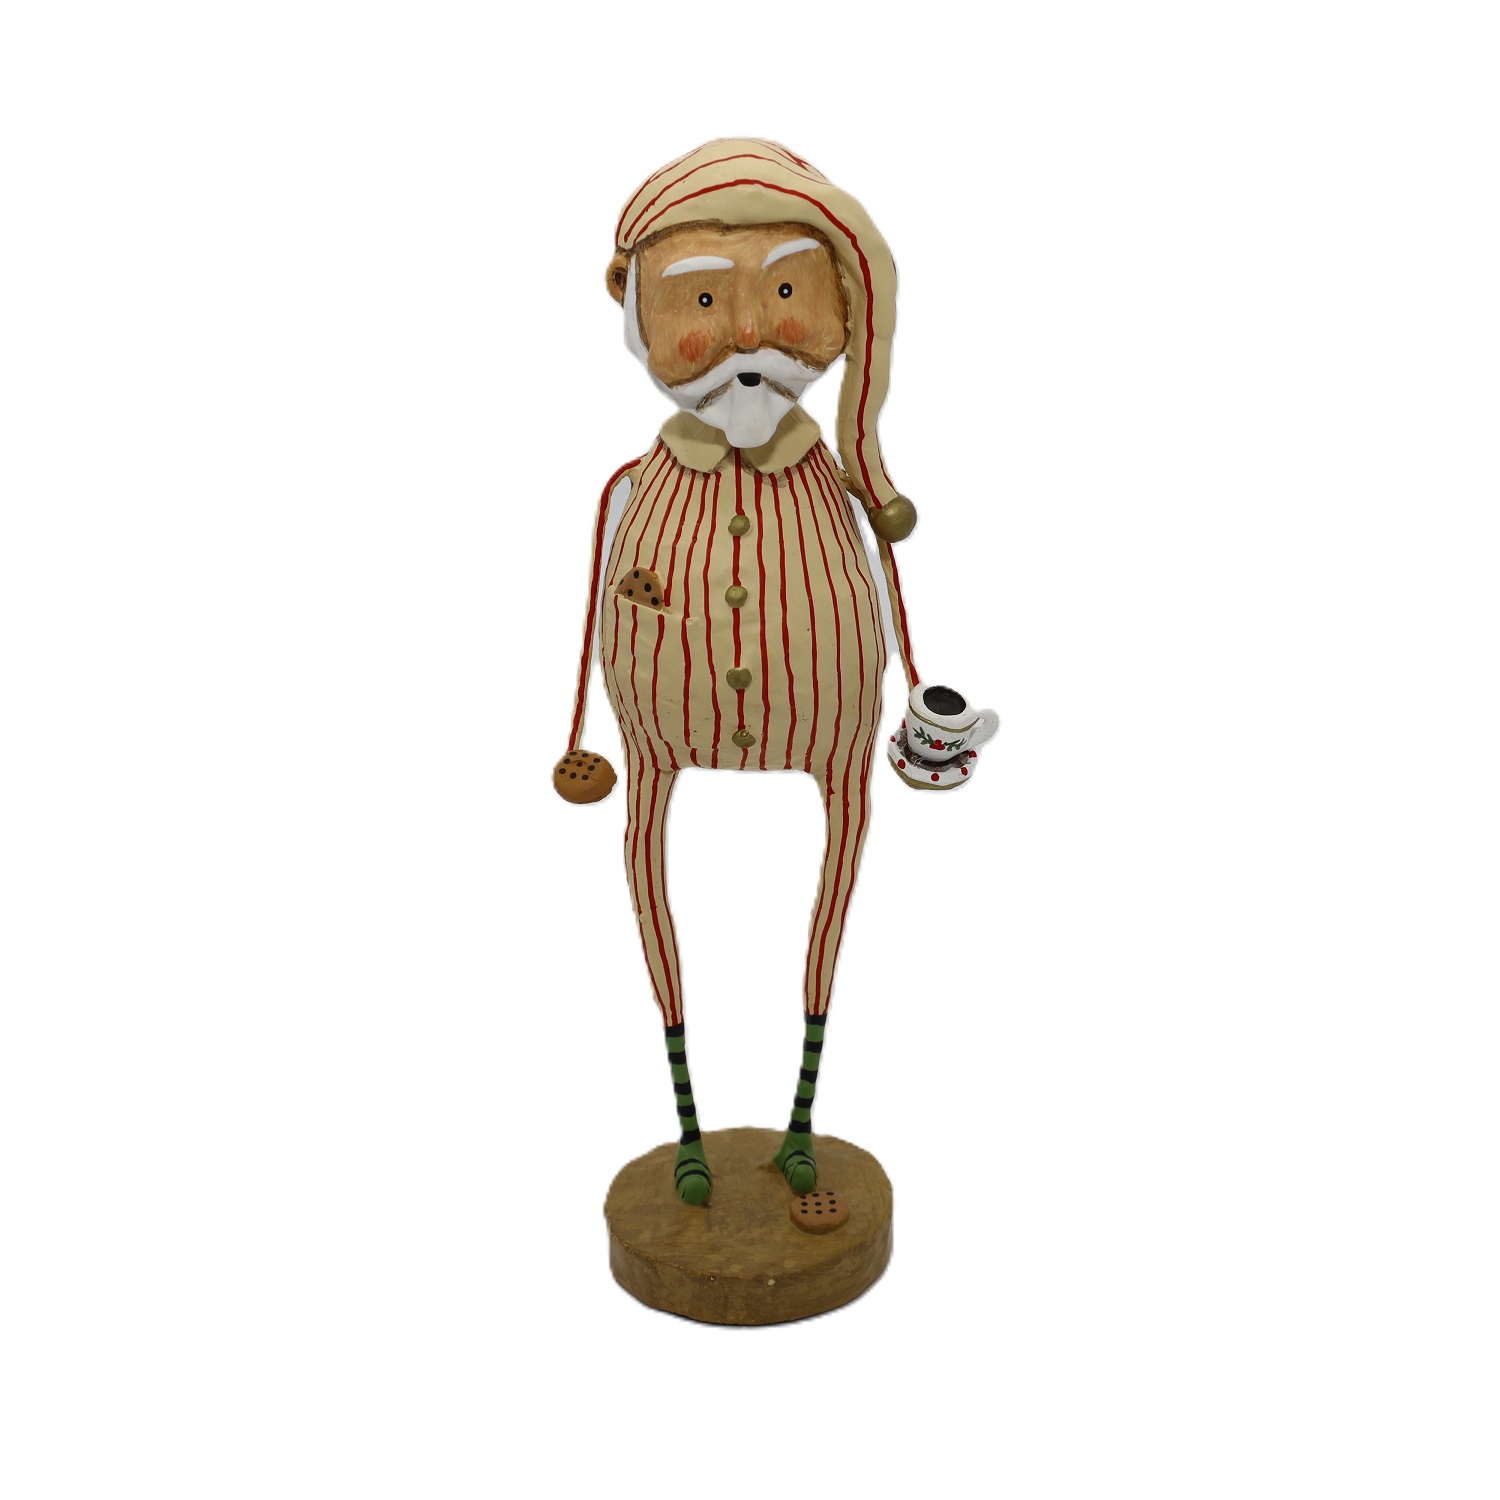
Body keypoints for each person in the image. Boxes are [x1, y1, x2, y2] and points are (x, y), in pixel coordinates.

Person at [557, 139, 981, 1205]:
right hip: (666, 736)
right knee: (648, 846)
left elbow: (892, 596)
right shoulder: (630, 492)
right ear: (633, 302)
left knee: (838, 854)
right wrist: (582, 733)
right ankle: (686, 1118)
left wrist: (923, 700)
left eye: (786, 290)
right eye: (703, 297)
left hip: (825, 726)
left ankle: (802, 1112)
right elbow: (590, 609)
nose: (748, 332)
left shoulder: (837, 493)